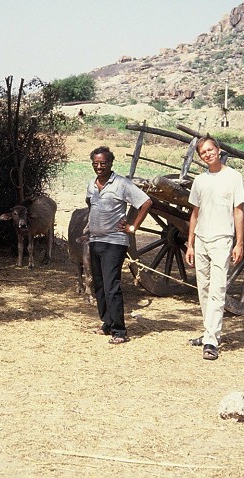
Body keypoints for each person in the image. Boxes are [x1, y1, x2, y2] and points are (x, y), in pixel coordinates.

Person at [185, 135, 244, 361]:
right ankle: (208, 331)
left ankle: (211, 340)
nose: (208, 154)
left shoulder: (233, 177)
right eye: (203, 153)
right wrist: (190, 244)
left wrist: (239, 242)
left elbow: (238, 211)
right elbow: (195, 213)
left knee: (218, 290)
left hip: (222, 240)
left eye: (210, 150)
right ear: (200, 157)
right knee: (203, 289)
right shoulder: (200, 181)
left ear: (218, 150)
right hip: (201, 239)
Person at [86, 146, 152, 344]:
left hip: (114, 242)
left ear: (111, 163)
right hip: (95, 240)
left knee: (111, 285)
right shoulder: (92, 184)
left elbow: (146, 202)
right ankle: (106, 322)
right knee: (99, 284)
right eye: (95, 163)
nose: (99, 167)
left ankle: (119, 331)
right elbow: (91, 204)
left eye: (103, 163)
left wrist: (133, 227)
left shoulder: (122, 184)